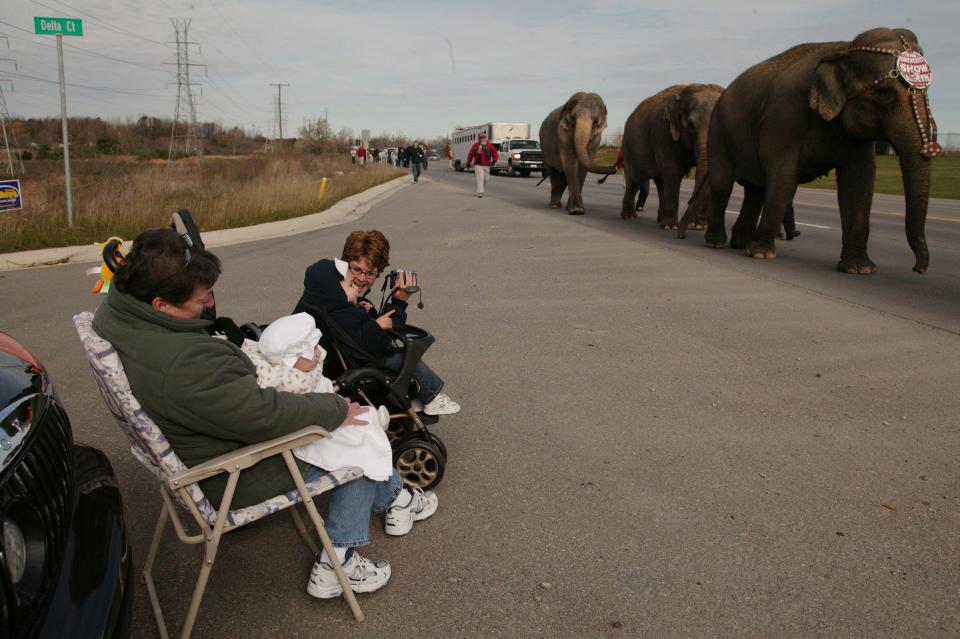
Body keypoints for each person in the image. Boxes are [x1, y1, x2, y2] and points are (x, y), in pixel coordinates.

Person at [92, 228, 438, 601]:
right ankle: (337, 562)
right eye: (200, 298)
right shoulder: (185, 362)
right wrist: (334, 408)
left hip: (199, 443)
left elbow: (236, 400)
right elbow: (264, 414)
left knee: (348, 422)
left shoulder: (118, 315)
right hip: (229, 472)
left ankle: (399, 499)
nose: (209, 302)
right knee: (359, 429)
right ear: (161, 303)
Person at [294, 229, 460, 416]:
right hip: (344, 366)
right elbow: (380, 346)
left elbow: (361, 327)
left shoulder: (331, 290)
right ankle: (431, 396)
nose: (362, 279)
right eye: (356, 269)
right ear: (344, 264)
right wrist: (395, 306)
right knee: (405, 356)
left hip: (340, 356)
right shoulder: (336, 300)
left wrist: (379, 309)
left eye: (371, 274)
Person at [240, 312, 394, 483]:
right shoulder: (292, 383)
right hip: (317, 424)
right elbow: (307, 407)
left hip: (329, 407)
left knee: (355, 421)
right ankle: (372, 422)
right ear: (292, 359)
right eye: (313, 350)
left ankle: (371, 420)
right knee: (351, 438)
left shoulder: (302, 370)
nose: (319, 354)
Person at [466, 132, 498, 197]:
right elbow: (471, 154)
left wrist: (494, 160)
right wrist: (468, 162)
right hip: (478, 164)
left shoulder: (490, 145)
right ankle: (480, 192)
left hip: (487, 164)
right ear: (479, 139)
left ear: (486, 138)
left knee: (487, 179)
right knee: (480, 178)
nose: (483, 139)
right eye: (481, 138)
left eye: (484, 138)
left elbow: (495, 153)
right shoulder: (475, 145)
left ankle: (481, 188)